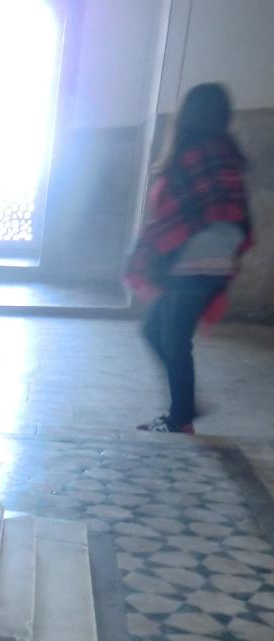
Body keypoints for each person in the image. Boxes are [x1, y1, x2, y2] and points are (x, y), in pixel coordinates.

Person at [126, 83, 253, 434]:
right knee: (155, 330)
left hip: (190, 266)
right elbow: (236, 214)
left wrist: (156, 248)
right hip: (214, 266)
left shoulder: (191, 155)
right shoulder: (227, 156)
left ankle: (180, 418)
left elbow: (174, 213)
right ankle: (185, 408)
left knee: (173, 340)